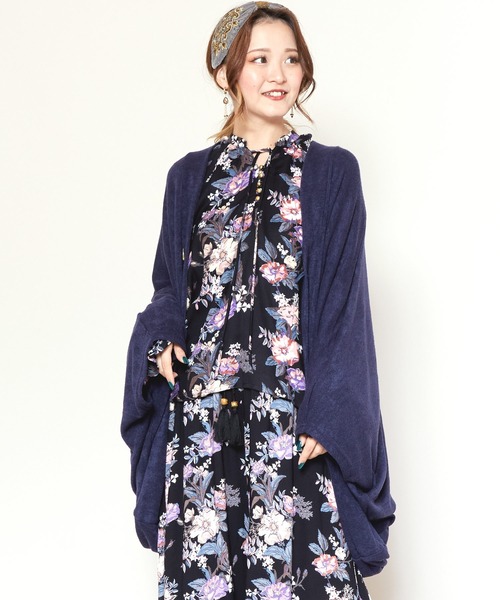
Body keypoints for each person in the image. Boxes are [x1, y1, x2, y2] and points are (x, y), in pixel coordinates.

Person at [121, 3, 396, 599]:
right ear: (227, 73)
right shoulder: (188, 176)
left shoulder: (332, 173)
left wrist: (330, 415)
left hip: (290, 418)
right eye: (260, 59)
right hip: (203, 419)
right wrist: (162, 338)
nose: (279, 74)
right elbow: (169, 284)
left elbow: (345, 301)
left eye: (291, 59)